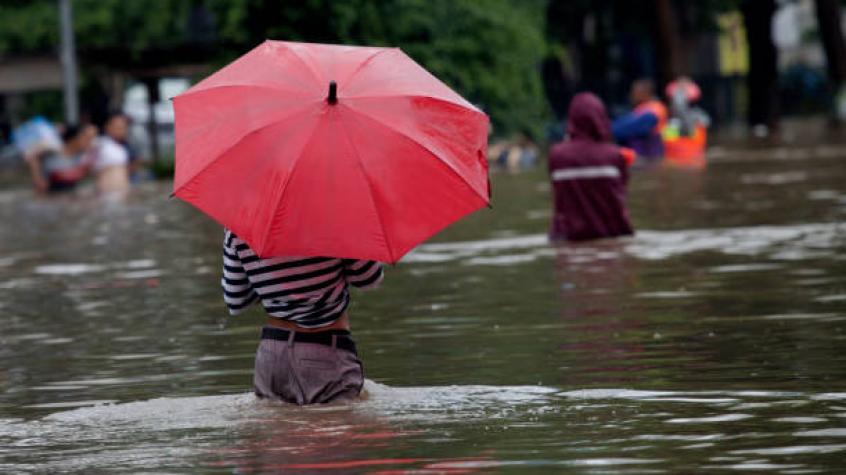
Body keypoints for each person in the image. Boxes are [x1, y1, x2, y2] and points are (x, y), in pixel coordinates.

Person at [221, 229, 384, 405]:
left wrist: (270, 283)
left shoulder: (240, 228)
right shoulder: (338, 219)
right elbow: (369, 279)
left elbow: (236, 299)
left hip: (272, 354)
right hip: (325, 349)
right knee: (337, 427)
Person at [548, 92, 635, 241]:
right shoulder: (614, 155)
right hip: (612, 237)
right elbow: (621, 192)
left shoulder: (557, 155)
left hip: (567, 240)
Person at [24, 123, 97, 195]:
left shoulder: (82, 157)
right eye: (87, 138)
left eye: (92, 138)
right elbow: (31, 156)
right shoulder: (53, 149)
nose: (90, 142)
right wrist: (38, 178)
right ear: (75, 137)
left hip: (68, 194)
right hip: (48, 193)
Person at [611, 78, 668, 160]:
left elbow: (633, 127)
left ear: (645, 93)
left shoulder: (654, 109)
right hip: (641, 156)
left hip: (649, 156)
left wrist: (606, 130)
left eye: (635, 92)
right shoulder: (642, 107)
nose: (631, 95)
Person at [93, 112, 131, 197]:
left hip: (122, 190)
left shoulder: (121, 147)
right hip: (107, 191)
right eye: (118, 127)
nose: (122, 130)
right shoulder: (100, 143)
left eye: (123, 127)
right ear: (107, 127)